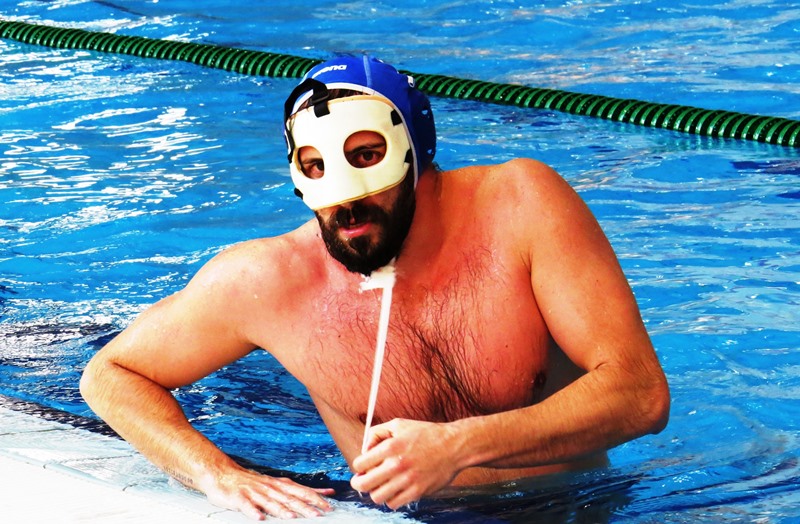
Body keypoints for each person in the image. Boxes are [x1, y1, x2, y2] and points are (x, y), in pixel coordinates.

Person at [80, 55, 670, 520]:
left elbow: (640, 394)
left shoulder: (521, 207)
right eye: (317, 167)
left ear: (415, 153)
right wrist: (215, 473)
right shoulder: (268, 282)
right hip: (402, 517)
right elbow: (111, 374)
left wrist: (460, 446)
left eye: (366, 156)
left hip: (578, 506)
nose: (347, 200)